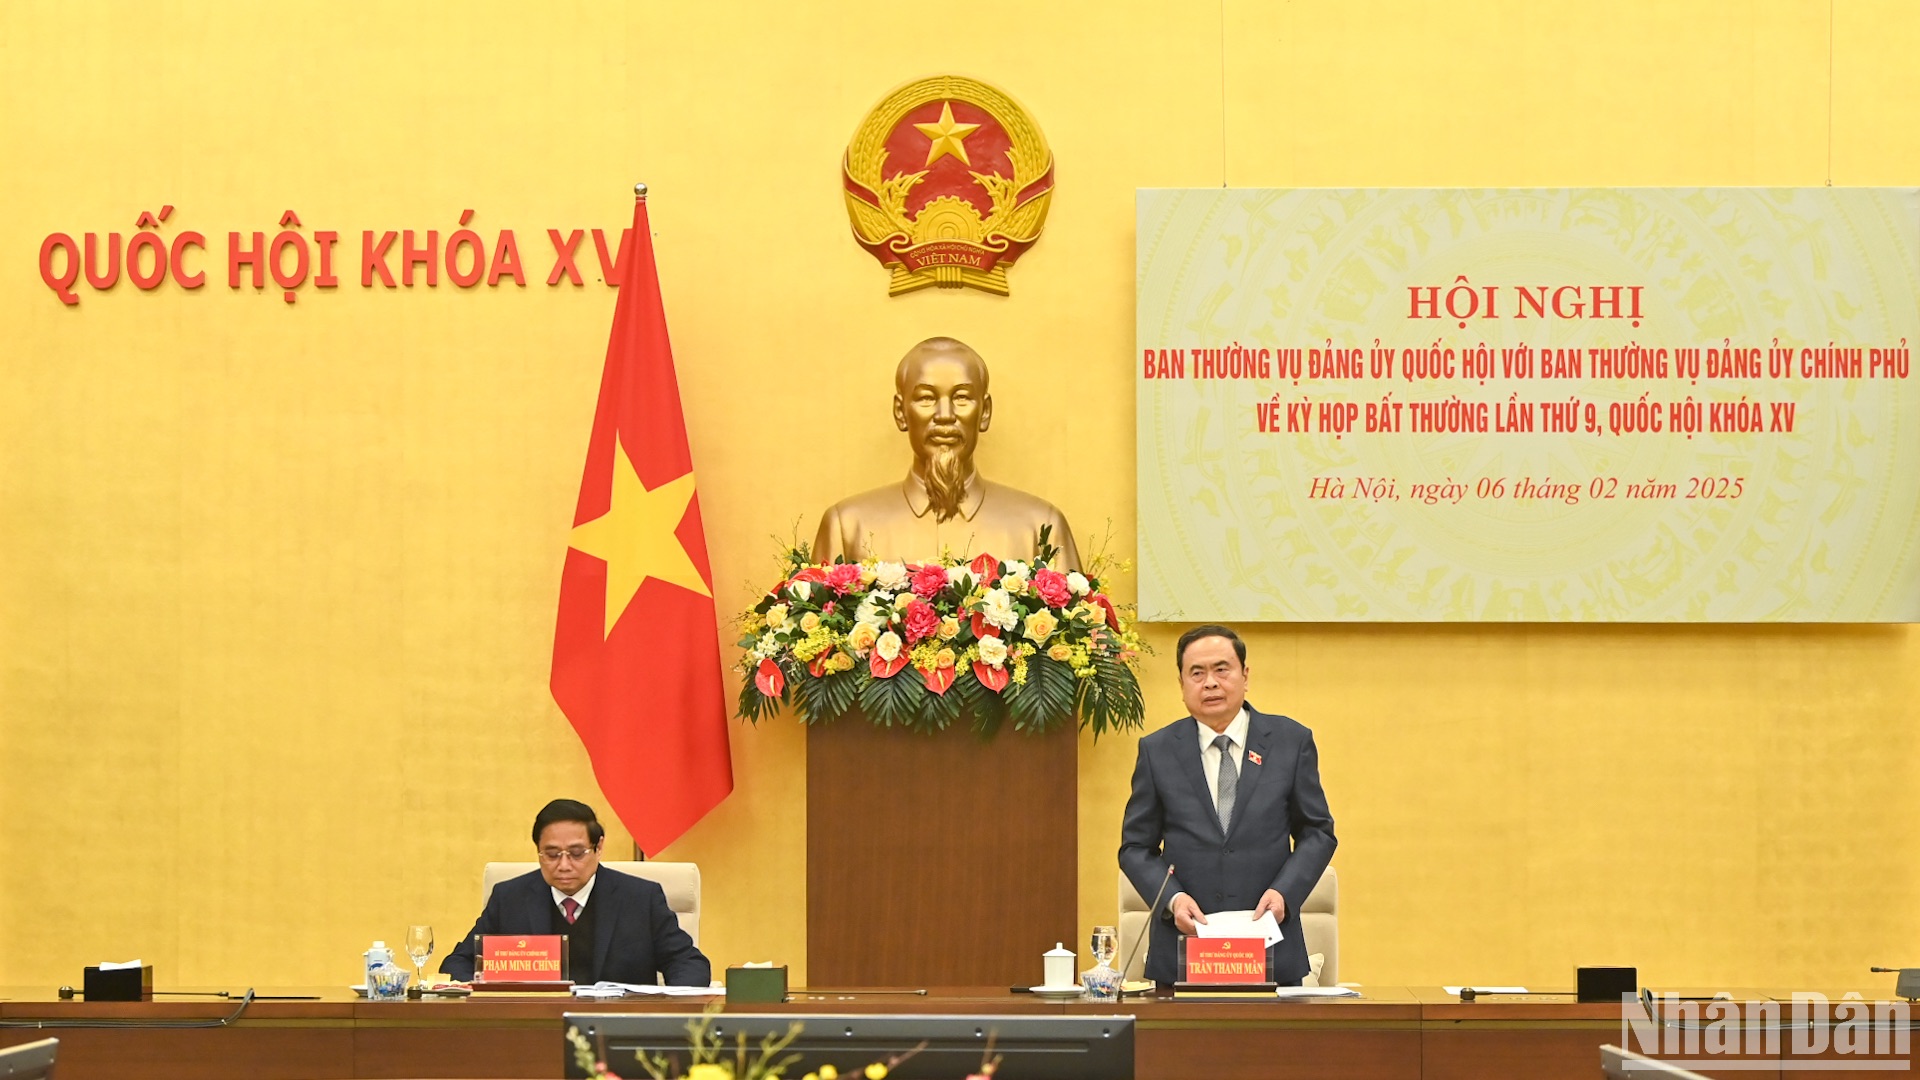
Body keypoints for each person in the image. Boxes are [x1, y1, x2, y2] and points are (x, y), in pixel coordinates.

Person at [1118, 625, 1336, 986]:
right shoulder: (1157, 751)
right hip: (1184, 951)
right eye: (1197, 673)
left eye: (1222, 669)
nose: (1211, 683)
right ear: (1182, 684)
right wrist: (1173, 900)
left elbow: (1318, 833)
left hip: (1269, 947)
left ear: (1245, 676)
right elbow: (1135, 848)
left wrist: (1284, 893)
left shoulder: (1289, 741)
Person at [812, 337, 1080, 568]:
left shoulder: (1040, 528)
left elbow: (1081, 626)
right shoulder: (846, 527)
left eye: (961, 397)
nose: (944, 415)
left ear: (984, 412)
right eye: (926, 398)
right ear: (900, 412)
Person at [441, 799, 710, 986]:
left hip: (616, 1030)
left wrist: (667, 1010)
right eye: (552, 854)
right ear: (538, 851)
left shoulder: (640, 899)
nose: (564, 865)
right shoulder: (510, 898)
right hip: (533, 1031)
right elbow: (458, 964)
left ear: (599, 846)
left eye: (577, 853)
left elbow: (688, 963)